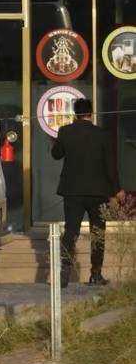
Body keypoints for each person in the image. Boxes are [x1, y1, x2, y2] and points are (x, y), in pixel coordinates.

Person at [52, 98, 124, 287]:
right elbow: (110, 165)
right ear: (91, 114)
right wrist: (117, 189)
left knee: (71, 231)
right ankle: (96, 274)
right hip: (98, 192)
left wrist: (57, 141)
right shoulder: (102, 134)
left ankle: (64, 272)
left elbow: (56, 154)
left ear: (75, 114)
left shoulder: (65, 132)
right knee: (98, 232)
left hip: (72, 191)